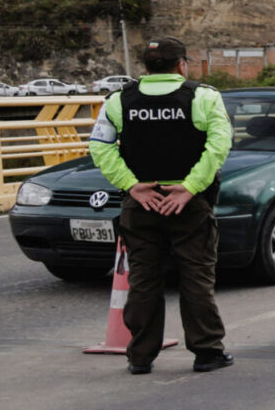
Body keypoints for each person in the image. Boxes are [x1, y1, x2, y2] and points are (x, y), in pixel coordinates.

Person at [87, 36, 234, 375]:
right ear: (182, 65)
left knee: (143, 280)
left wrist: (132, 186)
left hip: (141, 206)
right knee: (196, 278)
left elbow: (100, 148)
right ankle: (207, 352)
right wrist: (189, 188)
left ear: (145, 67)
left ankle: (140, 357)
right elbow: (219, 145)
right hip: (190, 206)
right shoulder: (203, 97)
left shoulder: (118, 101)